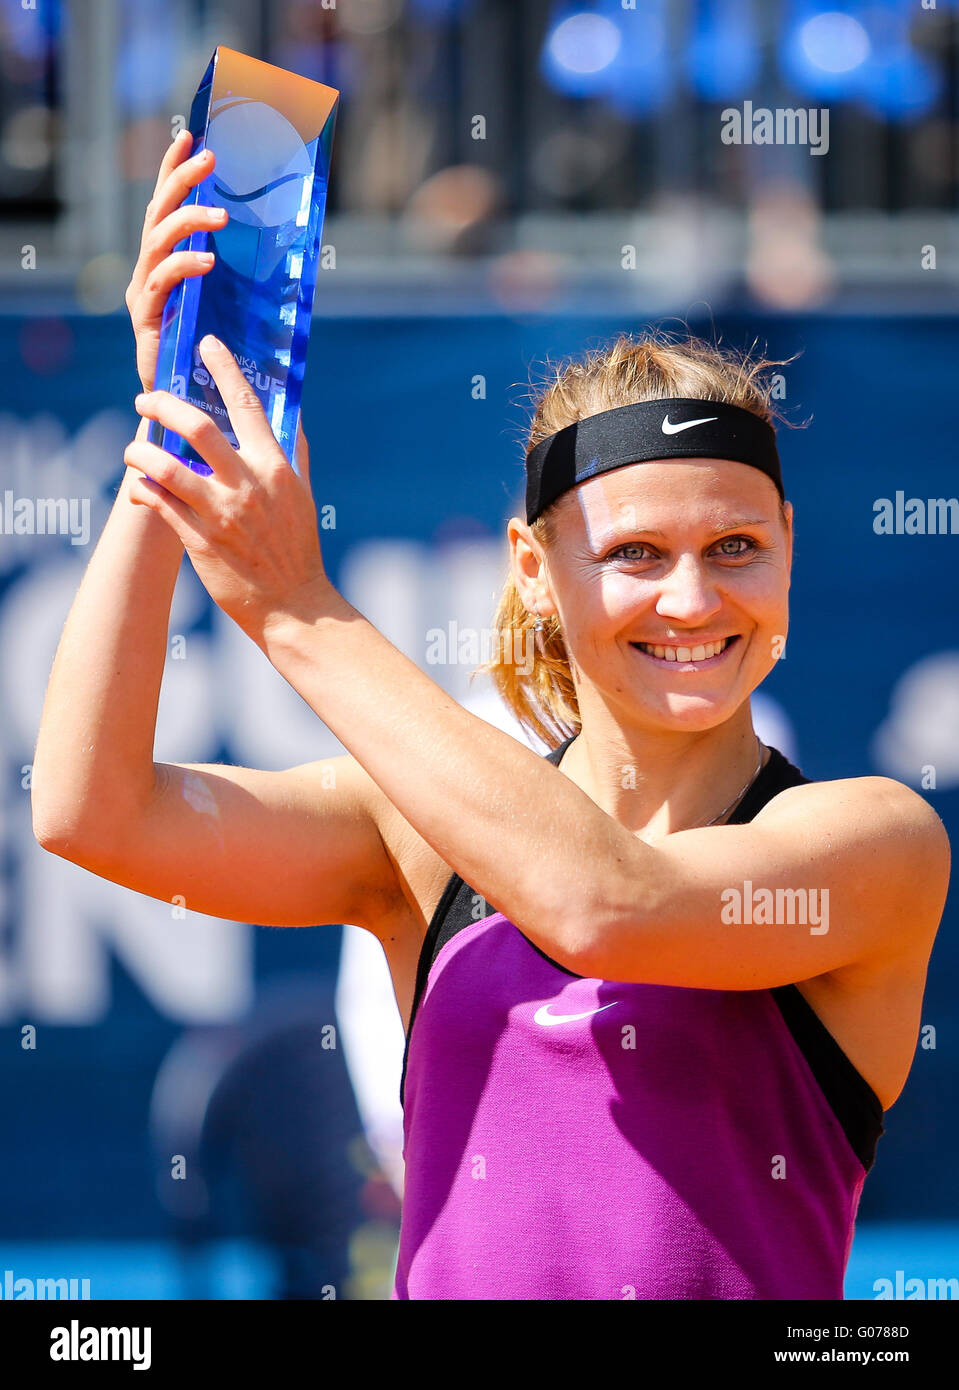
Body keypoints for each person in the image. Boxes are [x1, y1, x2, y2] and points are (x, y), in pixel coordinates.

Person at [32, 134, 950, 1301]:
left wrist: (299, 612)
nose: (690, 598)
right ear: (530, 568)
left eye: (734, 547)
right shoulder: (416, 836)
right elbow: (87, 809)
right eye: (632, 554)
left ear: (786, 556)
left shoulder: (872, 843)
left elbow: (604, 904)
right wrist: (172, 444)